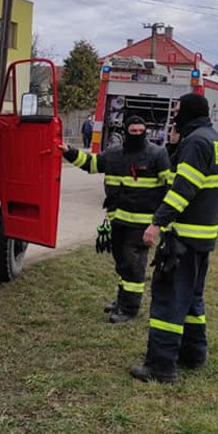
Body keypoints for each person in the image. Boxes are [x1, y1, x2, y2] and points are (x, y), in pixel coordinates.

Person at [132, 93, 218, 382]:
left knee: (169, 299)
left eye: (177, 111)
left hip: (184, 239)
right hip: (203, 236)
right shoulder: (214, 139)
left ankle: (161, 366)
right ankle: (194, 353)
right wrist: (176, 147)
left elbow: (183, 189)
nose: (174, 116)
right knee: (191, 298)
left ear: (187, 112)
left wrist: (157, 223)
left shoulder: (196, 142)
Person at [59, 116, 171, 323]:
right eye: (133, 131)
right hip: (117, 221)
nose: (137, 135)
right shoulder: (113, 154)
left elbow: (171, 186)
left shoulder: (157, 154)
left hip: (142, 224)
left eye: (141, 131)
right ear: (126, 131)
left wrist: (160, 223)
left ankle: (130, 309)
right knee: (122, 263)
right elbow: (91, 164)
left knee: (133, 265)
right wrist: (68, 151)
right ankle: (121, 301)